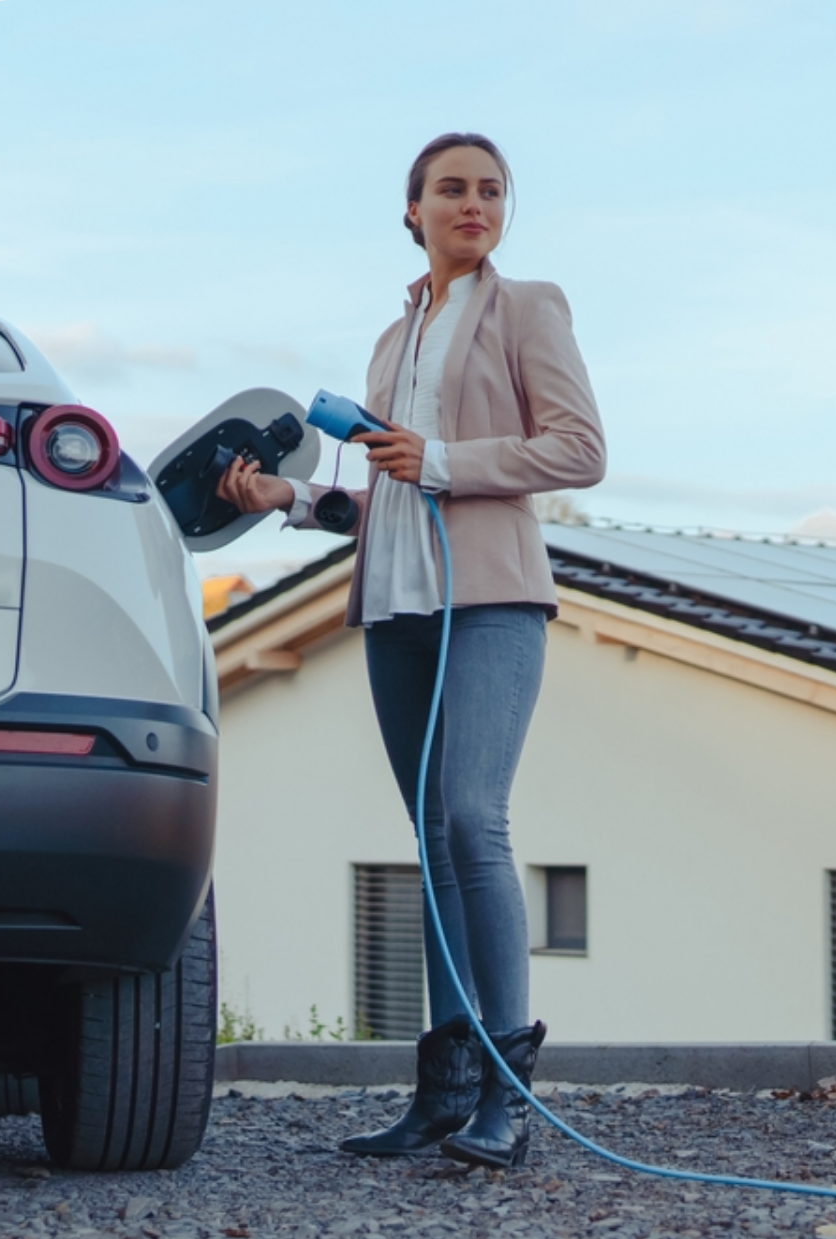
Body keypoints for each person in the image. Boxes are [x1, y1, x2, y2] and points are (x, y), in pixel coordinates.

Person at [217, 132, 605, 1168]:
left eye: (489, 189)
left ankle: (508, 1097)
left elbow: (580, 448)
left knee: (474, 820)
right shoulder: (395, 340)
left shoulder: (529, 307)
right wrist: (288, 497)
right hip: (396, 603)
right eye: (451, 188)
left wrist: (438, 457)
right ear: (412, 209)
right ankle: (442, 1091)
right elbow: (389, 491)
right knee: (429, 843)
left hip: (489, 600)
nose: (472, 203)